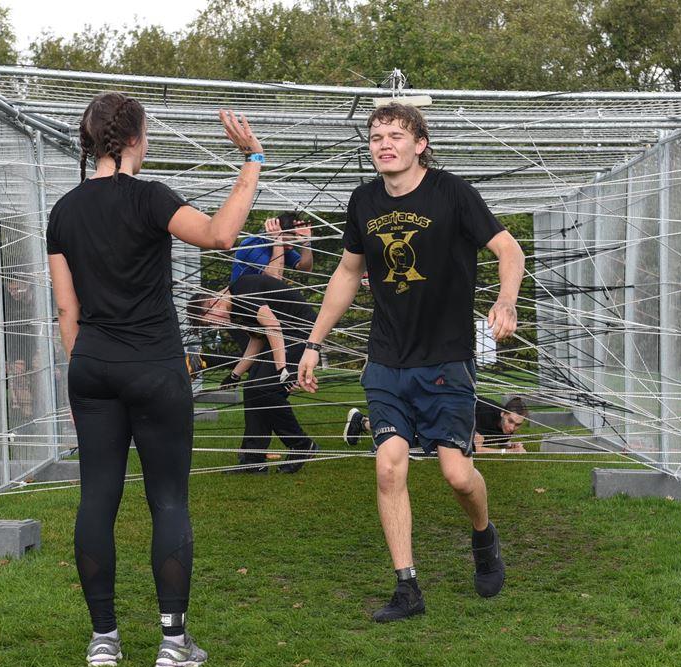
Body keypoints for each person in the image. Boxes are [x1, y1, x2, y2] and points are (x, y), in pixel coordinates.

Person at [47, 91, 262, 667]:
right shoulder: (150, 197)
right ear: (135, 138)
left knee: (97, 498)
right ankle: (173, 643)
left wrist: (84, 370)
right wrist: (251, 162)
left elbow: (66, 310)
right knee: (167, 499)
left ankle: (103, 640)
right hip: (155, 366)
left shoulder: (64, 210)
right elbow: (220, 235)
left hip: (92, 366)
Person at [295, 102, 525, 622]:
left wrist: (507, 300)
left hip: (446, 357)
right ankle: (407, 588)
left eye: (396, 135)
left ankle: (483, 536)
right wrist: (313, 342)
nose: (385, 144)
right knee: (388, 465)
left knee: (457, 475)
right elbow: (347, 273)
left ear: (420, 145)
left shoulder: (453, 193)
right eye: (376, 136)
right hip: (387, 359)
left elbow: (509, 251)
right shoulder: (363, 200)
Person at [190, 273, 318, 474]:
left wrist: (282, 370)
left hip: (302, 334)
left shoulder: (243, 292)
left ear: (213, 303)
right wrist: (235, 374)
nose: (215, 327)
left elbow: (273, 326)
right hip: (284, 336)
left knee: (264, 389)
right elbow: (257, 340)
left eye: (210, 322)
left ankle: (301, 445)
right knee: (251, 389)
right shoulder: (235, 307)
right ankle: (253, 460)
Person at [344, 396, 529, 454]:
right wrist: (507, 452)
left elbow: (497, 440)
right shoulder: (486, 411)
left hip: (447, 428)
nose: (512, 428)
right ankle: (364, 423)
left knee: (412, 437)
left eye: (517, 425)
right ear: (502, 413)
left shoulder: (505, 428)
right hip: (442, 411)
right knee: (408, 427)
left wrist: (510, 445)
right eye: (510, 421)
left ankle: (361, 422)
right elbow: (477, 448)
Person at [228, 212, 314, 283]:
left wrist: (306, 243)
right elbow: (274, 279)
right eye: (286, 242)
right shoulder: (252, 245)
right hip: (243, 294)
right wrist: (278, 241)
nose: (290, 248)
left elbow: (306, 269)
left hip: (263, 295)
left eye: (293, 243)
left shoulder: (285, 247)